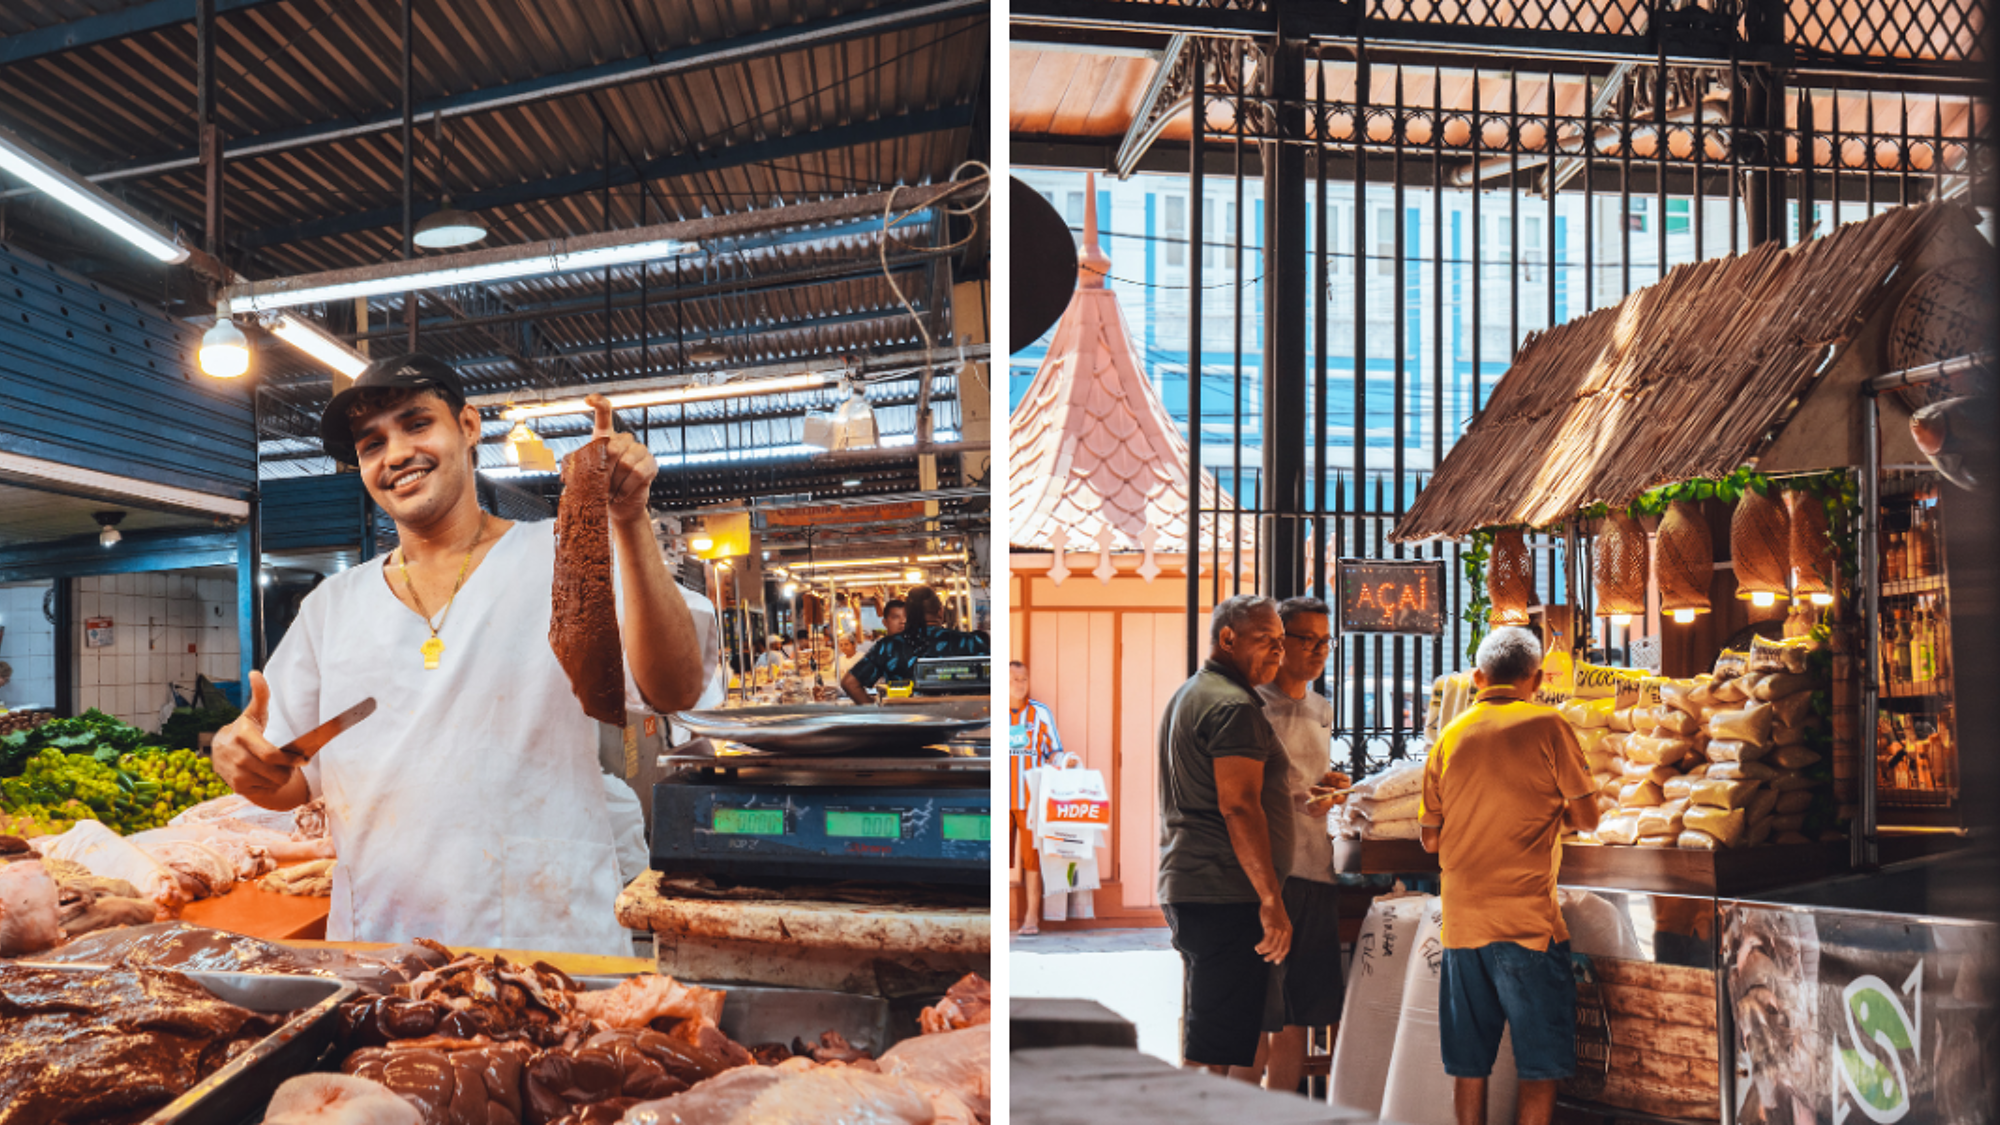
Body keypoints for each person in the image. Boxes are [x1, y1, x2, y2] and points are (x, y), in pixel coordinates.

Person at [211, 354, 703, 955]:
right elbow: (289, 782)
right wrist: (243, 763)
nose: (394, 454)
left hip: (550, 944)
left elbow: (674, 689)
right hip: (384, 956)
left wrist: (628, 521)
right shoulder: (331, 608)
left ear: (468, 426)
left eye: (417, 424)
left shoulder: (558, 559)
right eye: (371, 444)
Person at [1419, 626, 1599, 1125]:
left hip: (1461, 926)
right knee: (1539, 1068)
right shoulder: (1549, 725)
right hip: (1528, 926)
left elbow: (1429, 839)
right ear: (1536, 679)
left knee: (1469, 1066)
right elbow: (1588, 819)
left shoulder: (1448, 737)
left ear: (1477, 678)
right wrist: (1545, 819)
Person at [1157, 594, 1296, 1075]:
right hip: (1224, 892)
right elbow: (1238, 805)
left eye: (1281, 641)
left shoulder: (1193, 692)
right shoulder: (1232, 706)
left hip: (1199, 885)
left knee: (1219, 1035)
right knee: (1214, 1051)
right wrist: (1270, 899)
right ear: (1227, 638)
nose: (1278, 650)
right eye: (1265, 639)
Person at [1240, 596, 1350, 1093]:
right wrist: (1305, 795)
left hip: (1317, 871)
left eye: (1326, 640)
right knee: (1253, 1017)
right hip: (1271, 877)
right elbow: (1241, 795)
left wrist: (1329, 784)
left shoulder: (1322, 708)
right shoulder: (1252, 706)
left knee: (1299, 1019)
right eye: (1308, 639)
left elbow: (1306, 779)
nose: (1320, 649)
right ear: (1279, 645)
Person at [839, 586, 987, 702]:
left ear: (908, 615)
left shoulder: (888, 647)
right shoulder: (970, 642)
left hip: (904, 730)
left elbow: (850, 683)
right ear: (940, 612)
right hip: (960, 726)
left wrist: (877, 713)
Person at [1008, 659, 1069, 936]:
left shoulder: (1040, 713)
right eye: (1013, 679)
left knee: (1032, 861)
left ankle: (1031, 918)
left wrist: (1066, 761)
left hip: (1030, 802)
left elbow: (1054, 751)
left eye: (1023, 679)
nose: (1019, 684)